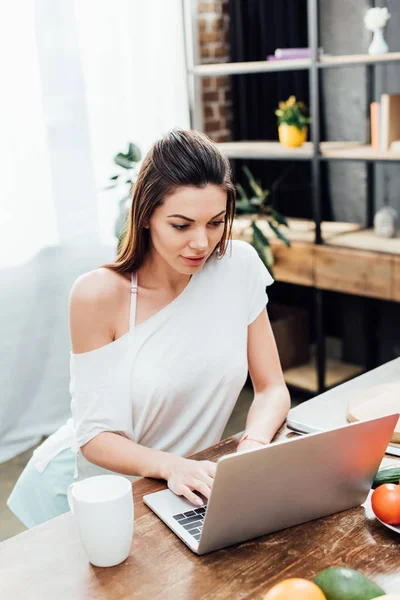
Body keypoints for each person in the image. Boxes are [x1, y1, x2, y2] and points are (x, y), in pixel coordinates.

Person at [7, 129, 290, 528]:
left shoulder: (237, 266)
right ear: (145, 216)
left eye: (215, 223)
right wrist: (172, 466)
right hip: (96, 492)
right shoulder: (98, 295)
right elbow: (93, 438)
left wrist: (253, 445)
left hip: (178, 487)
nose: (201, 243)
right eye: (181, 225)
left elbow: (271, 388)